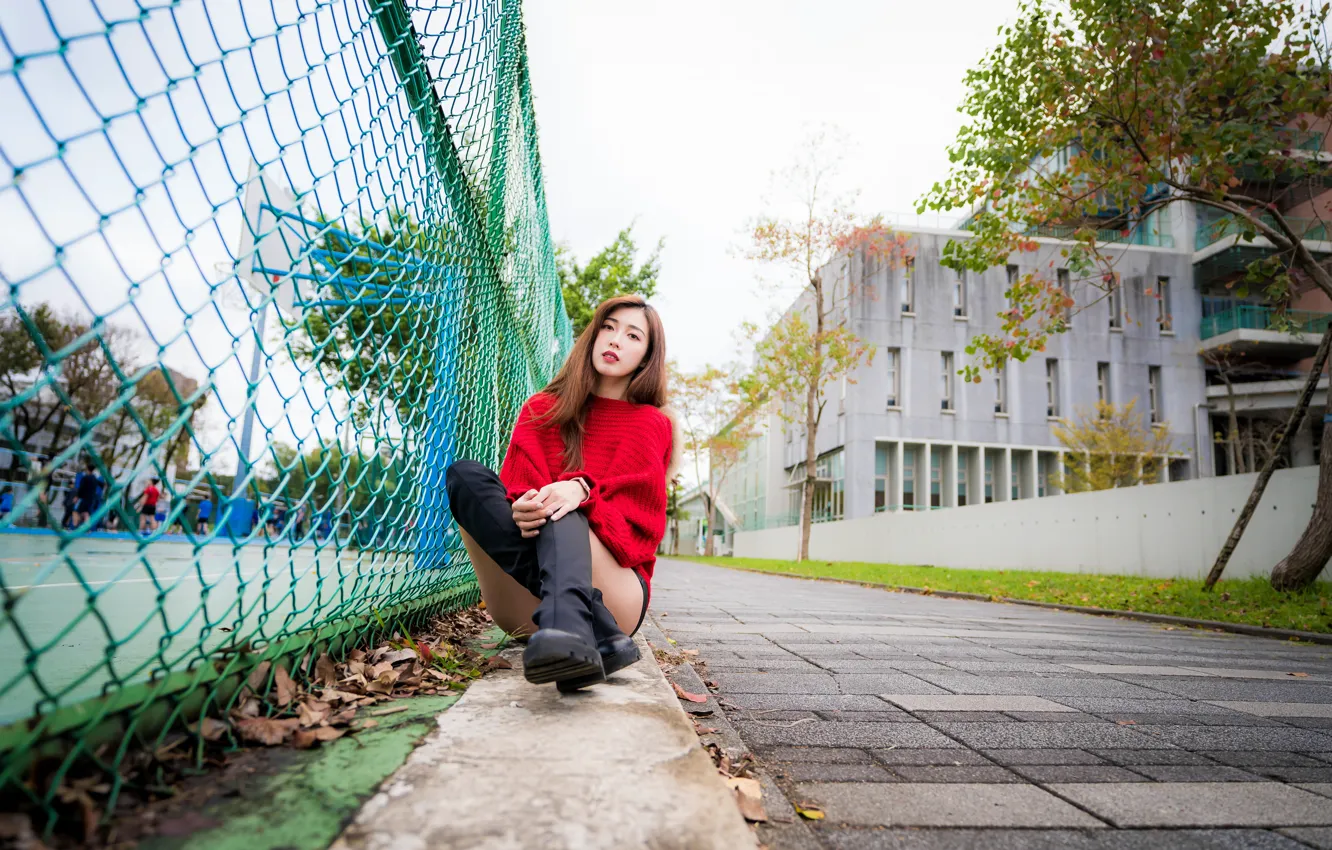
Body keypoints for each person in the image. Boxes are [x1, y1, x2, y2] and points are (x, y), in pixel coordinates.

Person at [446, 295, 678, 692]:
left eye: (632, 335)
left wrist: (579, 492)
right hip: (529, 607)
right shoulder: (541, 409)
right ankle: (591, 631)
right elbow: (516, 493)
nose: (615, 339)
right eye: (608, 327)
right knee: (464, 476)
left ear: (646, 357)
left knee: (563, 505)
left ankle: (583, 624)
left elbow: (638, 538)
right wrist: (521, 509)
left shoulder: (651, 424)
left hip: (620, 595)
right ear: (592, 336)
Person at [72, 461, 101, 528]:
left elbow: (81, 488)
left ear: (87, 468)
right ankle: (86, 527)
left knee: (75, 511)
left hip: (84, 498)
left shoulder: (85, 478)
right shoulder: (95, 478)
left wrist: (77, 497)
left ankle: (75, 525)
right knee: (86, 513)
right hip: (91, 498)